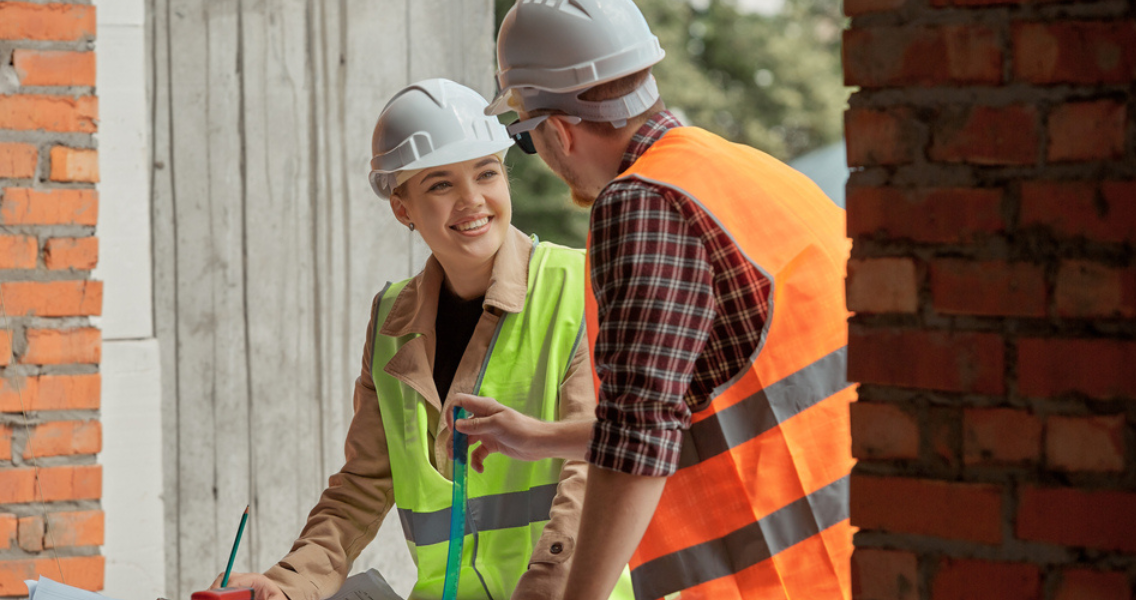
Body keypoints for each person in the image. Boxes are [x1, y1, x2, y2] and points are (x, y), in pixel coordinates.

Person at [444, 2, 856, 598]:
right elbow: (716, 399)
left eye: (528, 141)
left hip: (783, 579)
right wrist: (542, 438)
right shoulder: (744, 170)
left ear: (559, 129)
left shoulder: (642, 204)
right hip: (866, 549)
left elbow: (641, 435)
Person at [212, 78, 601, 600]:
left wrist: (547, 589)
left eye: (486, 173)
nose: (471, 201)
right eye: (440, 184)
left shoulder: (579, 287)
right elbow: (362, 486)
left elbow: (593, 469)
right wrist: (286, 585)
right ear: (403, 208)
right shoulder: (393, 319)